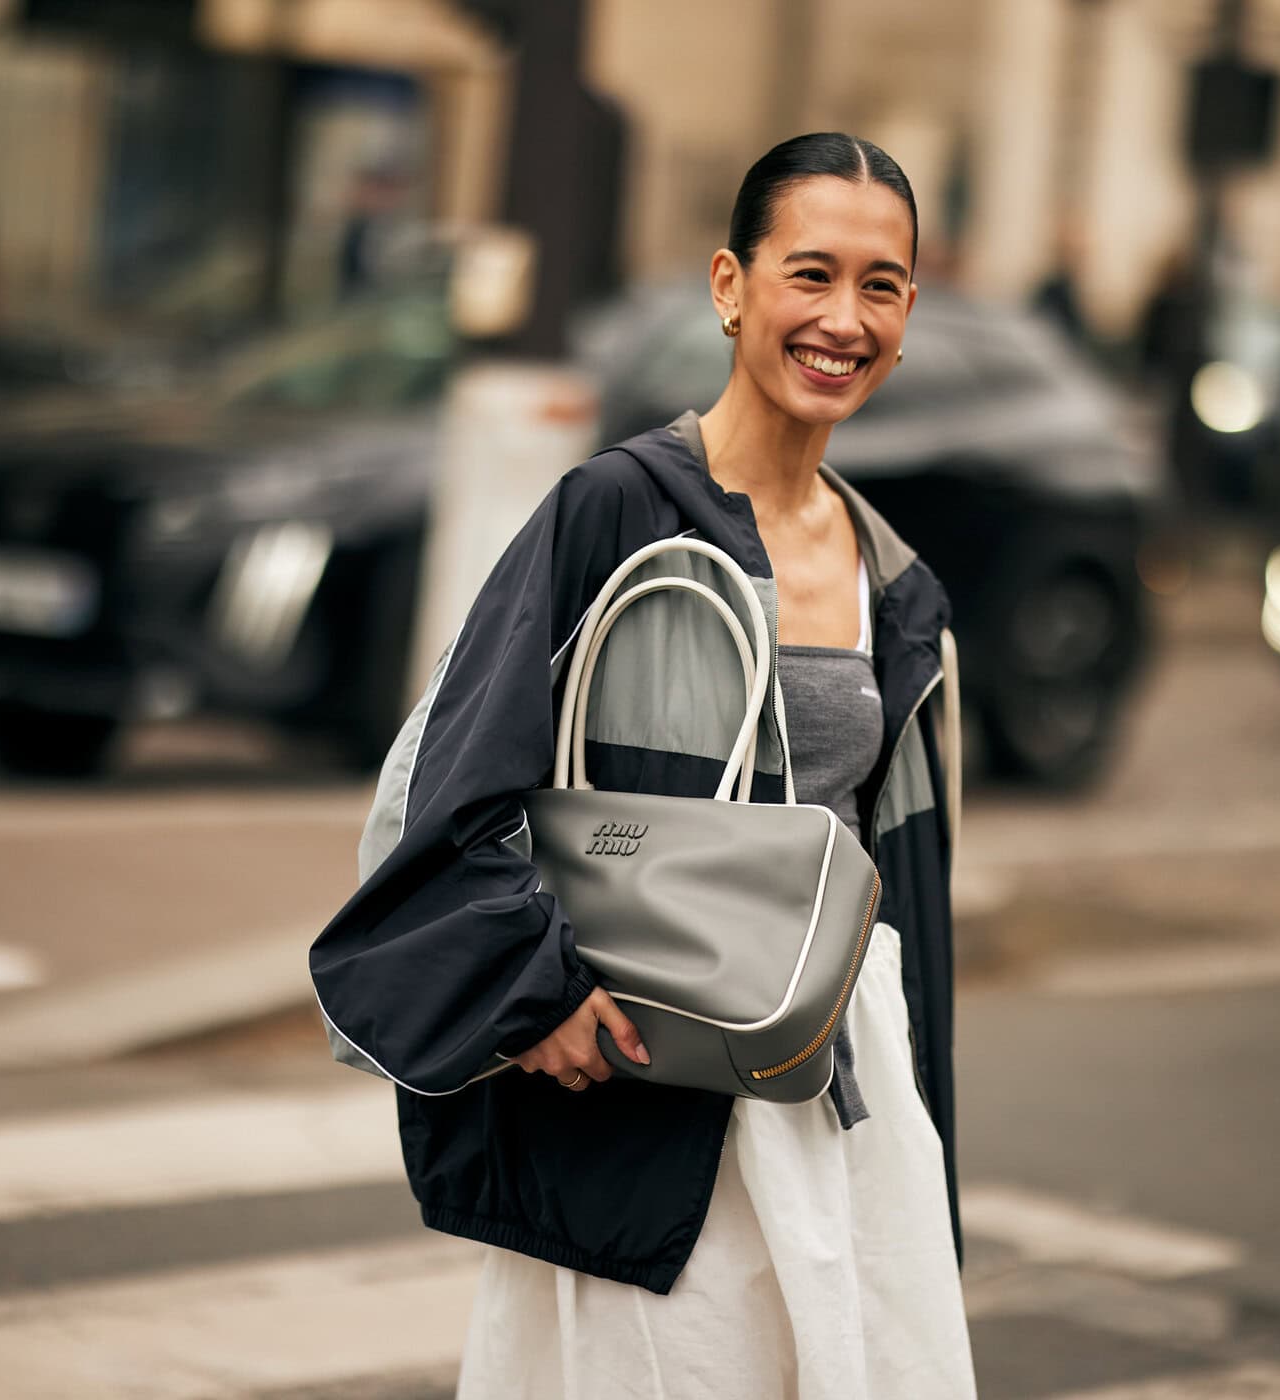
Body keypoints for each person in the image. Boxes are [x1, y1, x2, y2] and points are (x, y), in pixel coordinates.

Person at [310, 133, 973, 1397]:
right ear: (731, 285)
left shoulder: (900, 582)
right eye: (811, 273)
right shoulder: (615, 511)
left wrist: (930, 1135)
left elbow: (908, 900)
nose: (844, 319)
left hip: (841, 1086)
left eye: (880, 286)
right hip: (647, 1097)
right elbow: (439, 795)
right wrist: (534, 991)